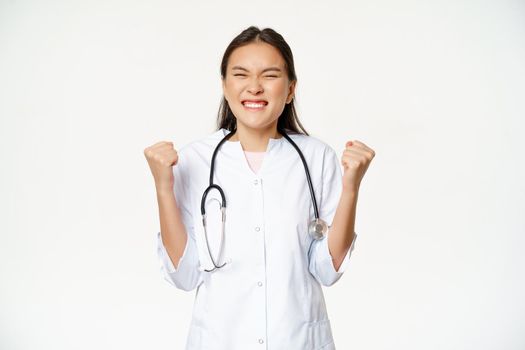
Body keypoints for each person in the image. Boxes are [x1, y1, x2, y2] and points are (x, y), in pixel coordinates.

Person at [144, 26, 375, 350]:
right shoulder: (194, 160)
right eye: (241, 75)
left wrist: (351, 187)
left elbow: (327, 270)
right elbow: (185, 276)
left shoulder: (316, 158)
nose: (254, 87)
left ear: (290, 89)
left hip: (297, 340)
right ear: (225, 85)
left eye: (269, 75)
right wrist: (163, 189)